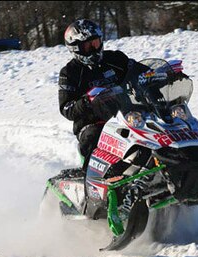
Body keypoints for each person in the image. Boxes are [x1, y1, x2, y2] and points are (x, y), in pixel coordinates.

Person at [58, 19, 146, 175]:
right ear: (76, 48)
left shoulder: (115, 59)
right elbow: (66, 108)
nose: (94, 49)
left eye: (96, 43)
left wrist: (160, 74)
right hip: (94, 123)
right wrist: (86, 101)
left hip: (128, 114)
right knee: (93, 137)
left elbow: (139, 71)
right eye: (88, 46)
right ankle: (91, 185)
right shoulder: (70, 73)